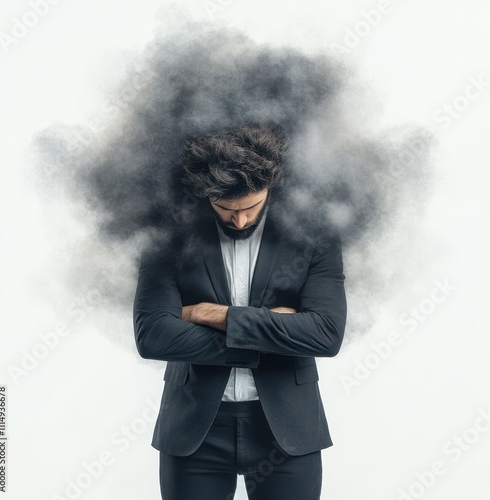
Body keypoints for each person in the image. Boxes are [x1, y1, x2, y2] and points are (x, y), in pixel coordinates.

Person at [133, 123, 347, 500]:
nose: (241, 221)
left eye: (251, 207)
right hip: (194, 431)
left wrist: (209, 314)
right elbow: (153, 336)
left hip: (289, 431)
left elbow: (326, 335)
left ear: (271, 189)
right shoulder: (168, 238)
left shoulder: (314, 236)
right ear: (205, 195)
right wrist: (275, 333)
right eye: (226, 209)